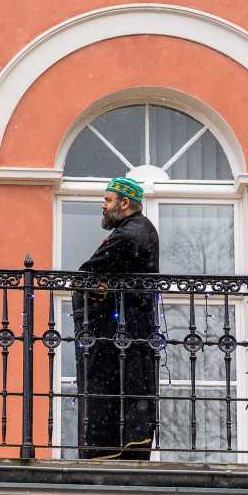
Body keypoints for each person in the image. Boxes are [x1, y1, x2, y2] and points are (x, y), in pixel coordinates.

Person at [72, 177, 159, 460]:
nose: (103, 205)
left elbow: (85, 276)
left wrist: (88, 285)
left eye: (108, 200)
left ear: (124, 203)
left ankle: (108, 448)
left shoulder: (128, 235)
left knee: (112, 393)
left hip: (121, 332)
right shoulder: (138, 229)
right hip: (130, 329)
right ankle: (123, 444)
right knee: (129, 391)